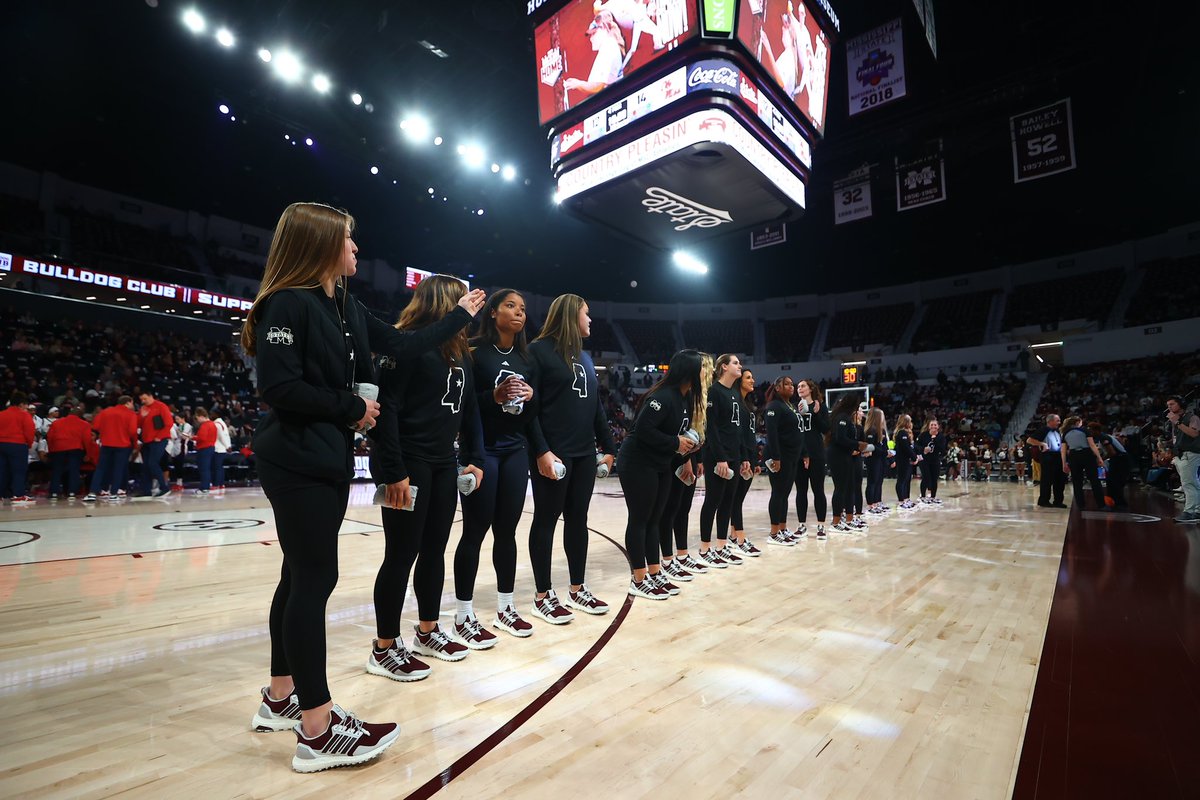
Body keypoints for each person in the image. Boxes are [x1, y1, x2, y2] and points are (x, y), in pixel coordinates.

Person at [242, 202, 484, 773]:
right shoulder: (288, 303)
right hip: (295, 458)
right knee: (314, 579)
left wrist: (459, 318)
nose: (356, 249)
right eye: (349, 240)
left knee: (296, 577)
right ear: (323, 244)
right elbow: (278, 387)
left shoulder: (343, 304)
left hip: (323, 457)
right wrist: (353, 406)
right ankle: (317, 729)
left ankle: (282, 697)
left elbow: (400, 345)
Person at [368, 274, 488, 678]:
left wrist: (474, 457)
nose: (471, 308)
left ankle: (427, 629)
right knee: (401, 554)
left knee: (435, 548)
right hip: (408, 462)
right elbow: (388, 412)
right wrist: (394, 471)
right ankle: (384, 647)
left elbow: (470, 411)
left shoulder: (460, 351)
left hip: (442, 462)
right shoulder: (407, 344)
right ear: (445, 302)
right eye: (463, 300)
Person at [527, 294, 617, 622]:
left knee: (579, 521)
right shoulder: (538, 351)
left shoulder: (585, 356)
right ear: (570, 315)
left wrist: (609, 448)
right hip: (553, 454)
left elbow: (595, 407)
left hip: (583, 455)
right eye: (586, 314)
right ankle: (542, 595)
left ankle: (577, 589)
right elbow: (529, 409)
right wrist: (541, 451)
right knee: (546, 520)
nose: (590, 320)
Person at [456, 289, 538, 640]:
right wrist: (494, 396)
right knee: (474, 531)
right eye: (510, 306)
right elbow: (462, 402)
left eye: (522, 308)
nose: (518, 313)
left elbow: (532, 416)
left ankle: (506, 607)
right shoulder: (472, 351)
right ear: (492, 313)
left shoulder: (526, 359)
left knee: (507, 532)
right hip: (481, 451)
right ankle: (463, 615)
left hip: (514, 450)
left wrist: (532, 398)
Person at [618, 350, 704, 599]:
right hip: (638, 462)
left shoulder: (684, 398)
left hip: (661, 463)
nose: (702, 373)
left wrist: (686, 446)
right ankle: (638, 578)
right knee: (640, 519)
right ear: (689, 371)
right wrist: (675, 442)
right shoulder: (663, 396)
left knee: (654, 519)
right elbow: (643, 429)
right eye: (699, 368)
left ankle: (654, 573)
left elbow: (676, 435)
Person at [657, 356, 711, 581]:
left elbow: (696, 433)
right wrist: (688, 458)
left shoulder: (699, 394)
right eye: (708, 367)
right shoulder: (683, 394)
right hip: (676, 456)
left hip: (688, 454)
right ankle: (668, 558)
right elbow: (684, 429)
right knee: (671, 508)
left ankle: (681, 554)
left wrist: (697, 458)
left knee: (683, 507)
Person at [697, 353, 749, 567]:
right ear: (724, 367)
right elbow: (712, 428)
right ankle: (704, 548)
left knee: (728, 501)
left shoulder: (735, 394)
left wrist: (744, 456)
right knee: (713, 500)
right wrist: (720, 458)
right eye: (736, 363)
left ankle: (721, 546)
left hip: (735, 456)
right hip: (718, 457)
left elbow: (739, 431)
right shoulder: (713, 392)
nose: (740, 366)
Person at [764, 376, 807, 546]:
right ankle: (774, 533)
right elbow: (772, 434)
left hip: (792, 456)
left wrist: (804, 453)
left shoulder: (790, 406)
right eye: (786, 384)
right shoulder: (774, 406)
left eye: (791, 384)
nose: (791, 386)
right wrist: (776, 457)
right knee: (778, 493)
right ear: (777, 388)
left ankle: (782, 528)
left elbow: (799, 431)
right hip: (780, 456)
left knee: (785, 494)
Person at [728, 367, 762, 557]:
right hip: (740, 458)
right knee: (735, 500)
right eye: (748, 377)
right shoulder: (735, 403)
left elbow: (750, 436)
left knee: (738, 499)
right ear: (739, 381)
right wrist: (743, 458)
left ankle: (735, 535)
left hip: (748, 457)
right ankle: (739, 537)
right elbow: (738, 436)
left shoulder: (747, 404)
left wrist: (754, 459)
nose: (752, 380)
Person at [85, 395, 138, 502]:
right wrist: (135, 444)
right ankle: (113, 494)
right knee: (118, 469)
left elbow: (95, 426)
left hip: (106, 444)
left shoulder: (106, 411)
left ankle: (92, 493)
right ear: (128, 402)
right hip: (123, 445)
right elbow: (132, 431)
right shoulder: (131, 414)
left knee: (100, 469)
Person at [795, 379, 829, 539]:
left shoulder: (820, 407)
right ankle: (802, 525)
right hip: (799, 454)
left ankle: (821, 526)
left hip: (816, 453)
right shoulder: (794, 408)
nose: (799, 388)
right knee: (801, 491)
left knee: (818, 490)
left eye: (802, 386)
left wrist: (815, 414)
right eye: (798, 387)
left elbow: (826, 429)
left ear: (810, 389)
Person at [563, 12, 625, 99]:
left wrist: (578, 84)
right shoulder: (607, 47)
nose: (591, 38)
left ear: (604, 29)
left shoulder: (609, 46)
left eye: (594, 33)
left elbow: (599, 86)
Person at [828, 396, 865, 532]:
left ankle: (849, 520)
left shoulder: (847, 418)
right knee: (840, 489)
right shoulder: (841, 418)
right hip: (837, 456)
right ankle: (836, 522)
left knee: (850, 488)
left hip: (846, 455)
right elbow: (840, 438)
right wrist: (857, 444)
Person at [1166, 396, 1200, 523]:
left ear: (1181, 404)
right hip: (1181, 455)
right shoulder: (1176, 420)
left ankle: (1189, 512)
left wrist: (1177, 423)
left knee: (1188, 484)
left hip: (1191, 454)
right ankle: (1197, 511)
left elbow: (1194, 433)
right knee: (1194, 484)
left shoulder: (1192, 417)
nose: (1169, 407)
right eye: (1168, 405)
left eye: (1172, 404)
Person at [1061, 416, 1106, 509]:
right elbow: (1092, 445)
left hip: (1073, 456)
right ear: (1078, 423)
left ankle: (1080, 505)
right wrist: (1099, 458)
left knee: (1077, 482)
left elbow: (1063, 450)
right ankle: (1101, 505)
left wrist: (1064, 463)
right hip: (1086, 454)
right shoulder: (1084, 431)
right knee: (1094, 480)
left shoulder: (1065, 433)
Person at [47, 407, 92, 500]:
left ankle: (54, 493)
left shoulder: (56, 422)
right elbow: (87, 440)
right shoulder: (84, 424)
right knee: (74, 471)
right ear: (80, 415)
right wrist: (88, 453)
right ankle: (72, 492)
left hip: (58, 449)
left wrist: (51, 450)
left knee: (57, 471)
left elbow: (50, 437)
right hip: (75, 449)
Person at [0, 391, 36, 503]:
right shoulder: (24, 415)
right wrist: (29, 444)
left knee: (2, 471)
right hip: (18, 445)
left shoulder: (1, 414)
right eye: (25, 405)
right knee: (18, 471)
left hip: (1, 444)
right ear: (21, 404)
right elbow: (29, 431)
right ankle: (18, 495)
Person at [136, 391, 173, 497]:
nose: (143, 401)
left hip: (159, 440)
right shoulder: (143, 409)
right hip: (146, 440)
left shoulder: (161, 406)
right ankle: (146, 491)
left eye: (145, 399)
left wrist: (159, 436)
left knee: (152, 463)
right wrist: (142, 416)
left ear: (151, 396)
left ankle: (164, 487)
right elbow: (138, 424)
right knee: (145, 466)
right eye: (141, 400)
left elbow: (168, 423)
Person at [1028, 414, 1067, 508]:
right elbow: (1029, 440)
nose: (1059, 422)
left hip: (1058, 456)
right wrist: (1042, 444)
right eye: (1057, 420)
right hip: (1048, 456)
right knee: (1047, 479)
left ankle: (1058, 501)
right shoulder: (1043, 430)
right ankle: (1044, 500)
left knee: (1060, 479)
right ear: (1050, 421)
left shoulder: (1059, 431)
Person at [1089, 423, 1129, 509]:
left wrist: (1101, 459)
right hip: (1120, 459)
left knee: (1114, 481)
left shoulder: (1103, 438)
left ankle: (1120, 504)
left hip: (1120, 460)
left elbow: (1112, 452)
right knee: (1112, 481)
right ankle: (1116, 502)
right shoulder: (1104, 436)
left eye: (1091, 430)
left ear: (1096, 430)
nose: (1090, 432)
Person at [863, 408, 888, 514]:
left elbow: (881, 447)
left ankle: (877, 502)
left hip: (880, 459)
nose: (883, 418)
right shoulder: (871, 430)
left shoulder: (881, 430)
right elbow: (869, 447)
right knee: (872, 482)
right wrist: (880, 450)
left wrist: (886, 452)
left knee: (878, 481)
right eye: (881, 415)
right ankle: (870, 505)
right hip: (872, 460)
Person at [916, 418, 946, 505]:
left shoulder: (941, 437)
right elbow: (916, 445)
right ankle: (922, 496)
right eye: (931, 425)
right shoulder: (923, 435)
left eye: (935, 425)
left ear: (938, 427)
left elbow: (942, 449)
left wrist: (935, 439)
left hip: (935, 460)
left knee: (934, 479)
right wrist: (923, 449)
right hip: (924, 460)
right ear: (929, 426)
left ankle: (933, 497)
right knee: (926, 477)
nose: (933, 426)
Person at [893, 414, 918, 509]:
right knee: (902, 480)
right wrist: (914, 457)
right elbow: (906, 448)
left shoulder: (905, 433)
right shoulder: (902, 432)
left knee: (907, 480)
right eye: (910, 421)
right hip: (902, 460)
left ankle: (906, 499)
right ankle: (901, 500)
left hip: (906, 460)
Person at [211, 408, 232, 492]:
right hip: (222, 448)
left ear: (216, 414)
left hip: (218, 448)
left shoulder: (217, 424)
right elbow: (226, 436)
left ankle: (216, 484)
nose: (211, 415)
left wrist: (227, 446)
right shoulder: (222, 423)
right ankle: (221, 484)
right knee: (219, 467)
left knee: (217, 467)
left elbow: (221, 436)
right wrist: (228, 446)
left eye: (212, 413)